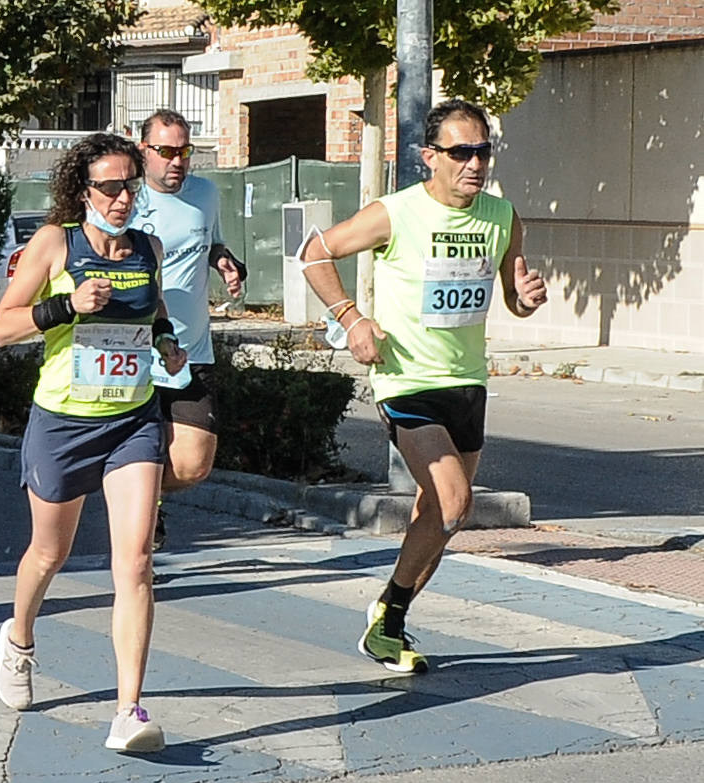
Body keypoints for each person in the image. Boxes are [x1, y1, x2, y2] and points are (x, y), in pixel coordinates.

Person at [299, 99, 548, 674]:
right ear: (428, 157)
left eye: (483, 151)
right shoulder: (396, 212)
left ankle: (389, 618)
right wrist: (352, 319)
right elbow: (315, 253)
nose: (475, 163)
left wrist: (527, 299)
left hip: (467, 380)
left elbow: (514, 294)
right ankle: (389, 618)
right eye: (461, 152)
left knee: (439, 515)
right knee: (455, 500)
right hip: (406, 379)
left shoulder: (502, 216)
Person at [0, 132, 187, 753]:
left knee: (134, 563)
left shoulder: (147, 249)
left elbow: (151, 313)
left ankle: (129, 709)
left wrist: (165, 343)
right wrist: (65, 306)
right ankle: (19, 639)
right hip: (64, 421)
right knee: (49, 554)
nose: (124, 197)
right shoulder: (56, 243)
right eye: (110, 187)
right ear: (83, 192)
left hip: (132, 419)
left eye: (131, 185)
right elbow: (1, 328)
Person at [129, 110, 244, 551]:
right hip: (138, 350)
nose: (177, 161)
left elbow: (211, 242)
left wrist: (225, 263)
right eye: (166, 151)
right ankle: (138, 508)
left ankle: (144, 494)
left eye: (184, 151)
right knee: (136, 449)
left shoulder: (205, 194)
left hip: (192, 347)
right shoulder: (129, 201)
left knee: (194, 464)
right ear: (145, 152)